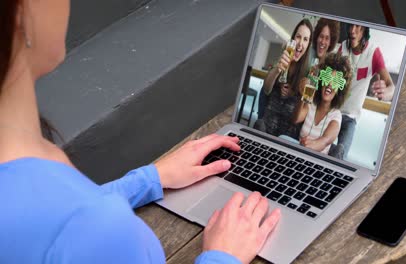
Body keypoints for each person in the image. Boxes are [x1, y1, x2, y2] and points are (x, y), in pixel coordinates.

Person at [0, 0, 281, 263]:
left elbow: (48, 218)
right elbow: (72, 228)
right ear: (23, 10)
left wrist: (148, 179)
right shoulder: (99, 233)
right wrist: (223, 256)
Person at [337, 24, 395, 158]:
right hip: (334, 111)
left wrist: (386, 93)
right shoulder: (343, 47)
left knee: (341, 156)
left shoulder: (373, 52)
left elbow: (391, 86)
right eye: (351, 26)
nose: (352, 31)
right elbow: (334, 78)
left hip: (350, 117)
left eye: (358, 27)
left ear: (365, 31)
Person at [254, 19, 313, 138]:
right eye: (298, 37)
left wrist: (295, 92)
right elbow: (266, 89)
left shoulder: (309, 72)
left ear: (308, 45)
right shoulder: (283, 58)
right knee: (259, 125)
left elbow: (306, 105)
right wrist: (277, 70)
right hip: (267, 125)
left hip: (287, 134)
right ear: (292, 39)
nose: (300, 43)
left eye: (305, 39)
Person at [292, 53, 351, 155]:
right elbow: (295, 119)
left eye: (335, 81)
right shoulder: (310, 104)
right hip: (298, 155)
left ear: (339, 90)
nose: (329, 84)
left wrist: (309, 145)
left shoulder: (336, 115)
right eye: (327, 78)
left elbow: (325, 140)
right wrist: (303, 95)